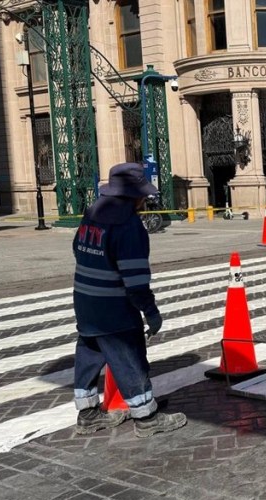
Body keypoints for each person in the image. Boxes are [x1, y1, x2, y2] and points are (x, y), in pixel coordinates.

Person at [72, 163, 186, 438]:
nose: (145, 201)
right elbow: (135, 278)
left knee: (89, 352)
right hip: (114, 306)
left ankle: (87, 414)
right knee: (128, 356)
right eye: (143, 195)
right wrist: (151, 311)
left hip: (84, 299)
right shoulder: (128, 224)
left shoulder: (93, 211)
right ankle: (146, 417)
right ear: (134, 195)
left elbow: (77, 247)